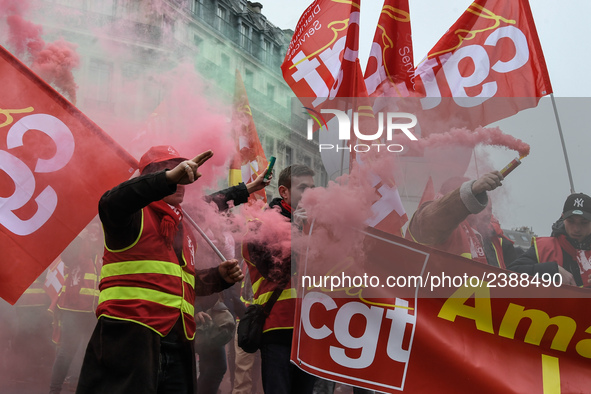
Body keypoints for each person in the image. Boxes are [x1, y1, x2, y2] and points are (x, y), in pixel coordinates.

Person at [76, 145, 267, 394]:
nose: (180, 180)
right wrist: (165, 179)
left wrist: (218, 277)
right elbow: (111, 200)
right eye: (172, 173)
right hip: (130, 339)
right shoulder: (129, 217)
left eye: (181, 174)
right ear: (150, 179)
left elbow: (183, 284)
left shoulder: (182, 225)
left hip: (179, 342)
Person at [243, 164, 317, 394]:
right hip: (278, 327)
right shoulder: (259, 227)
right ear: (284, 191)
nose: (310, 195)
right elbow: (274, 270)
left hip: (313, 330)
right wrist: (296, 227)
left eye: (313, 189)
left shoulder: (316, 227)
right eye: (303, 188)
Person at [406, 172, 520, 268]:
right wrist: (470, 191)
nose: (487, 213)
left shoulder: (476, 233)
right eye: (477, 201)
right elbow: (432, 221)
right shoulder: (435, 221)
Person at [49, 221, 102, 394]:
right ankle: (54, 390)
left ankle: (82, 385)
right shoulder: (77, 236)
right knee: (67, 350)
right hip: (74, 307)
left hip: (97, 308)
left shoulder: (105, 243)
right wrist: (79, 237)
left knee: (92, 350)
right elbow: (67, 257)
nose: (94, 232)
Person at [508, 193, 591, 286]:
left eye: (584, 223)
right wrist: (551, 271)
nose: (576, 229)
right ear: (563, 217)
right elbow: (509, 275)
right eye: (571, 221)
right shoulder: (544, 248)